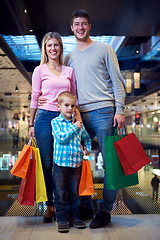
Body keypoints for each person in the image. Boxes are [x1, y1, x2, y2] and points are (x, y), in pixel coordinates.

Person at [64, 9, 126, 228]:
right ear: (71, 28)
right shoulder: (68, 57)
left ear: (90, 26)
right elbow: (65, 87)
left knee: (110, 164)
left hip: (104, 111)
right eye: (76, 24)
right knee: (77, 162)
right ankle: (85, 205)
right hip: (79, 115)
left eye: (84, 24)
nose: (80, 27)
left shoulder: (104, 48)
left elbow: (117, 81)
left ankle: (105, 211)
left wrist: (120, 110)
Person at [29, 32, 78, 223]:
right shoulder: (39, 70)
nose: (53, 49)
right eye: (49, 46)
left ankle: (62, 205)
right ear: (45, 49)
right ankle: (50, 206)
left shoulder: (69, 71)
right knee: (47, 164)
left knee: (62, 164)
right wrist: (31, 123)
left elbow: (75, 98)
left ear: (60, 47)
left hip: (65, 120)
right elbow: (35, 97)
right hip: (44, 119)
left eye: (56, 45)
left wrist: (78, 119)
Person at [51, 91, 91, 233]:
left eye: (72, 106)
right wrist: (75, 126)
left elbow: (86, 138)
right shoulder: (55, 122)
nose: (69, 108)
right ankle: (62, 218)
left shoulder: (78, 123)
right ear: (59, 106)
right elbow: (61, 138)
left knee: (75, 192)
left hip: (76, 164)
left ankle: (75, 217)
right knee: (61, 193)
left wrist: (87, 149)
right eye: (66, 105)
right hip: (60, 164)